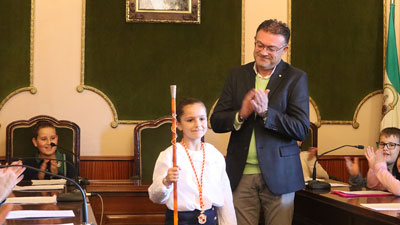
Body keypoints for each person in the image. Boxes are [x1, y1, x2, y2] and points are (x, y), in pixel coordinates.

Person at [210, 19, 309, 225]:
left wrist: (266, 113)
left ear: (285, 49)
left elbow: (301, 129)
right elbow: (217, 121)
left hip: (281, 174)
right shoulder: (237, 75)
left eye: (271, 48)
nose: (263, 52)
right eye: (260, 45)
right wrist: (241, 114)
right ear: (254, 41)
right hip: (240, 174)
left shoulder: (295, 78)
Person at [148, 97, 236, 225]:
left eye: (202, 118)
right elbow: (155, 197)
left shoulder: (214, 155)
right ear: (178, 125)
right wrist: (166, 181)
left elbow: (225, 196)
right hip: (181, 220)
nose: (197, 124)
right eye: (190, 120)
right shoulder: (169, 155)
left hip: (210, 219)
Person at [345, 127, 400, 195]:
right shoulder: (376, 164)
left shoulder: (396, 168)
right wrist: (355, 176)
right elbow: (367, 187)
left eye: (391, 145)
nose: (385, 148)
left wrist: (378, 168)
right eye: (382, 144)